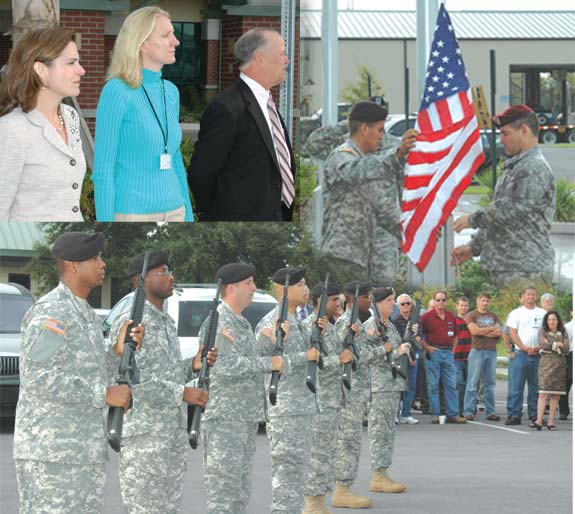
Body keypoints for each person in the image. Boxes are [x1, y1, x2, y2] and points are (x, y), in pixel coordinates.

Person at [13, 231, 142, 513]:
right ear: (72, 266)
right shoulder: (52, 313)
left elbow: (88, 371)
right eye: (95, 258)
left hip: (81, 452)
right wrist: (104, 394)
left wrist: (116, 353)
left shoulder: (83, 313)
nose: (103, 263)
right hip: (52, 455)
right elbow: (38, 378)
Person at [108, 251, 215, 514]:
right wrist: (183, 394)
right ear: (142, 280)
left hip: (169, 437)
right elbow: (132, 380)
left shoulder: (163, 320)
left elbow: (165, 374)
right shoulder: (132, 320)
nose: (171, 277)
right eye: (163, 272)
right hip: (146, 439)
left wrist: (192, 364)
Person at [92, 6, 193, 222]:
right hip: (132, 213)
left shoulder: (171, 91)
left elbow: (175, 161)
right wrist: (106, 226)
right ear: (143, 44)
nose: (175, 41)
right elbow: (103, 170)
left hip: (177, 211)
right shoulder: (117, 91)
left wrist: (189, 216)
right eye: (166, 35)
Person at [188, 28, 294, 221]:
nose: (287, 60)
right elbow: (201, 173)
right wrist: (221, 214)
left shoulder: (267, 104)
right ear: (259, 58)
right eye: (282, 53)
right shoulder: (226, 107)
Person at [200, 263, 282, 514]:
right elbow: (224, 365)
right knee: (224, 494)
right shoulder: (218, 322)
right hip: (225, 420)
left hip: (243, 418)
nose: (254, 288)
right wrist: (269, 363)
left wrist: (269, 342)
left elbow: (249, 358)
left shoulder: (242, 323)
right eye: (249, 283)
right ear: (232, 288)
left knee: (239, 492)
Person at [451, 104, 555, 286]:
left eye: (505, 133)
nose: (501, 140)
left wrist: (472, 219)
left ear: (524, 130)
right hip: (511, 267)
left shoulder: (532, 168)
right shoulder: (517, 167)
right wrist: (473, 248)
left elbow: (510, 210)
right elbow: (498, 218)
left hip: (525, 269)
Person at [321, 100, 418, 284]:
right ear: (364, 128)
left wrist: (418, 230)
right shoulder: (342, 156)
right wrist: (396, 155)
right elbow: (357, 170)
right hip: (341, 257)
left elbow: (384, 211)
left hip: (363, 261)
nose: (383, 137)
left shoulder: (369, 163)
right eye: (380, 130)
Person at [0, 27, 86, 221]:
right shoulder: (11, 130)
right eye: (71, 63)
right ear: (41, 70)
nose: (81, 70)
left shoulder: (71, 116)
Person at [255, 267, 320, 514]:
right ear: (284, 289)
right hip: (285, 409)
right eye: (300, 284)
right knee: (286, 476)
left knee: (296, 474)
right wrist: (305, 356)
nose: (305, 289)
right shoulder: (272, 321)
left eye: (305, 284)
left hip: (301, 407)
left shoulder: (298, 321)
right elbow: (263, 358)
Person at [301, 281, 353, 514]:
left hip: (333, 401)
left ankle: (320, 502)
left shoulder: (328, 326)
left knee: (328, 454)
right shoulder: (309, 327)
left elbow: (335, 353)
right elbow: (312, 363)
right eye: (334, 299)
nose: (339, 302)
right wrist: (338, 360)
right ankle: (311, 505)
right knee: (317, 456)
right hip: (319, 401)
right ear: (321, 301)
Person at [364, 287, 411, 494]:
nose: (392, 304)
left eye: (393, 300)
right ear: (378, 303)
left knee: (388, 432)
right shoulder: (371, 326)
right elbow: (365, 355)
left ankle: (383, 472)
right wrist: (392, 351)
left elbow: (396, 346)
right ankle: (378, 475)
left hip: (391, 385)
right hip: (380, 387)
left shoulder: (388, 325)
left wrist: (405, 348)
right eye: (389, 300)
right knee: (379, 432)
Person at [332, 281, 373, 509]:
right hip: (348, 394)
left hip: (356, 393)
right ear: (355, 299)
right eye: (367, 297)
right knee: (347, 441)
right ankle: (341, 489)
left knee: (352, 441)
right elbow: (340, 354)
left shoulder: (356, 323)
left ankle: (345, 486)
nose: (370, 301)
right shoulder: (346, 324)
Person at [420, 291, 467, 424]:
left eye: (443, 300)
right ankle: (435, 414)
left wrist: (453, 351)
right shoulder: (426, 317)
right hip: (433, 352)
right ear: (434, 301)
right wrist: (427, 348)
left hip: (448, 354)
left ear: (446, 302)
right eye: (438, 300)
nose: (441, 302)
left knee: (451, 384)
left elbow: (456, 335)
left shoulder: (451, 316)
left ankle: (453, 414)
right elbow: (417, 334)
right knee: (433, 384)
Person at [505, 286, 546, 426]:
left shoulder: (543, 313)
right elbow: (513, 333)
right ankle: (515, 415)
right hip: (521, 354)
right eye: (528, 294)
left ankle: (535, 415)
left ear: (536, 296)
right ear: (523, 296)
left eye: (533, 294)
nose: (531, 297)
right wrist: (523, 347)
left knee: (535, 387)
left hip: (538, 354)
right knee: (517, 386)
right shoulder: (516, 313)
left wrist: (539, 347)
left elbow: (546, 333)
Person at [463, 292, 502, 421]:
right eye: (483, 300)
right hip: (477, 351)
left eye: (487, 301)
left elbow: (499, 332)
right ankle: (468, 411)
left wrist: (482, 331)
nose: (485, 303)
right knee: (472, 382)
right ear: (478, 301)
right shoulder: (471, 315)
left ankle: (490, 412)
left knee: (490, 384)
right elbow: (474, 331)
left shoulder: (493, 316)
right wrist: (490, 329)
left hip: (491, 351)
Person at [534, 310, 570, 431]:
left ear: (558, 320)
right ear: (546, 321)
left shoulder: (563, 332)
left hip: (560, 367)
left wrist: (551, 344)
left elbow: (566, 348)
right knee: (543, 393)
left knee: (556, 395)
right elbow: (542, 345)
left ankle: (550, 422)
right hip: (546, 366)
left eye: (554, 319)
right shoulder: (543, 331)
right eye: (549, 320)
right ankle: (539, 420)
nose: (552, 322)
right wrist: (556, 344)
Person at [391, 293, 422, 425]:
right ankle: (396, 414)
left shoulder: (416, 320)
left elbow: (418, 339)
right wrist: (410, 358)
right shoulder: (395, 320)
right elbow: (398, 342)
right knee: (399, 386)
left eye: (408, 303)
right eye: (402, 304)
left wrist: (414, 333)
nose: (406, 306)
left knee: (412, 387)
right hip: (402, 357)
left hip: (413, 355)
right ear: (398, 305)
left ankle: (406, 414)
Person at [454, 297, 471, 415]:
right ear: (457, 306)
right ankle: (460, 409)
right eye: (461, 305)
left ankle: (469, 409)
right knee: (459, 384)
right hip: (457, 357)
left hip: (471, 357)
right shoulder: (453, 320)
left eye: (465, 305)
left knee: (471, 385)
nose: (463, 307)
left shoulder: (471, 320)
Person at [559, 315, 573, 420]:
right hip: (570, 356)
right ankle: (564, 411)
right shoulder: (568, 327)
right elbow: (565, 345)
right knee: (566, 383)